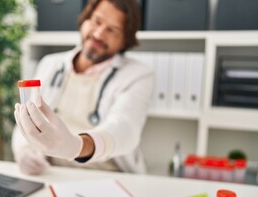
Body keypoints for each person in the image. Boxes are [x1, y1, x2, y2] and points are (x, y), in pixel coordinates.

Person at [12, 0, 154, 175]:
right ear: (85, 19)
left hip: (110, 177)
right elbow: (27, 116)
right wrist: (24, 151)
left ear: (125, 40)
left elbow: (124, 129)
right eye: (97, 21)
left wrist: (76, 147)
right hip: (54, 174)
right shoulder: (50, 64)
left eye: (112, 29)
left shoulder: (138, 74)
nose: (99, 34)